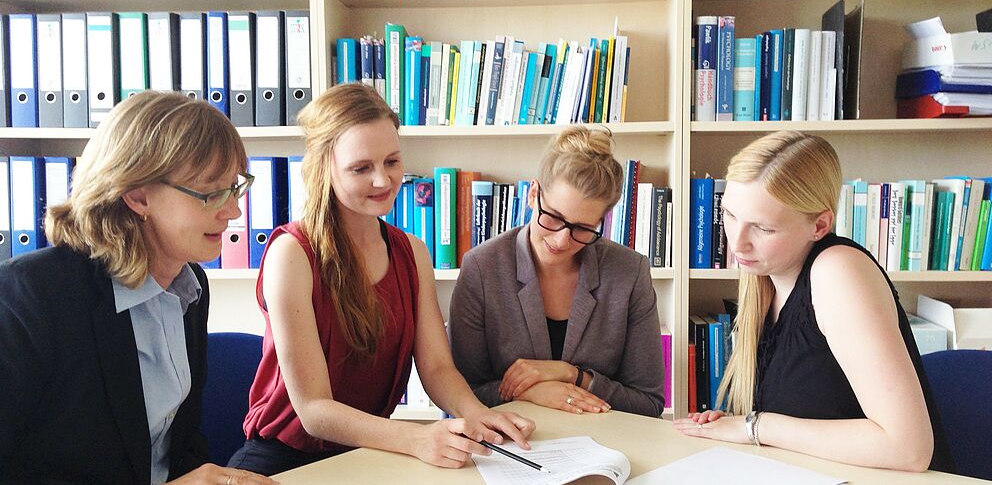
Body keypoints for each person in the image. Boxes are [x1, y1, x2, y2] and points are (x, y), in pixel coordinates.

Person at [228, 84, 535, 476]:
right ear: (325, 168)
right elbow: (313, 412)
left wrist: (477, 414)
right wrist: (417, 438)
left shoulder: (412, 251)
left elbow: (438, 368)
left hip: (370, 453)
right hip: (286, 461)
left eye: (391, 162)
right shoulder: (292, 254)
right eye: (361, 168)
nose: (382, 181)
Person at [0, 91, 275, 485]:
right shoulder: (28, 299)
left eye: (234, 187)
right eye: (211, 192)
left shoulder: (189, 286)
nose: (233, 211)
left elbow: (176, 447)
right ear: (138, 195)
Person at [673, 131, 954, 473]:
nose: (737, 243)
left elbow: (908, 450)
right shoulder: (765, 279)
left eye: (763, 228)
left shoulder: (838, 272)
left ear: (819, 225)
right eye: (730, 215)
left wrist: (753, 426)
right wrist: (733, 426)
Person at [449, 126, 666, 418]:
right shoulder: (482, 268)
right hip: (509, 444)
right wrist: (528, 393)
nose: (562, 240)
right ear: (533, 194)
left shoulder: (629, 272)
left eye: (583, 228)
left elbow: (648, 403)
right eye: (554, 217)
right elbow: (460, 394)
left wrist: (572, 376)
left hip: (605, 445)